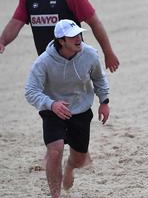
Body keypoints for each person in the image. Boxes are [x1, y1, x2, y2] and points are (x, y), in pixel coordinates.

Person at [25, 19, 110, 198]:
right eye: (73, 36)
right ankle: (55, 195)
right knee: (55, 151)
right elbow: (31, 91)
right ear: (61, 41)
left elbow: (99, 79)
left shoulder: (90, 54)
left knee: (80, 159)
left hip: (80, 111)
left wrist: (104, 101)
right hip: (53, 111)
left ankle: (70, 167)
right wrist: (51, 104)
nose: (78, 38)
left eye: (79, 34)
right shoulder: (44, 61)